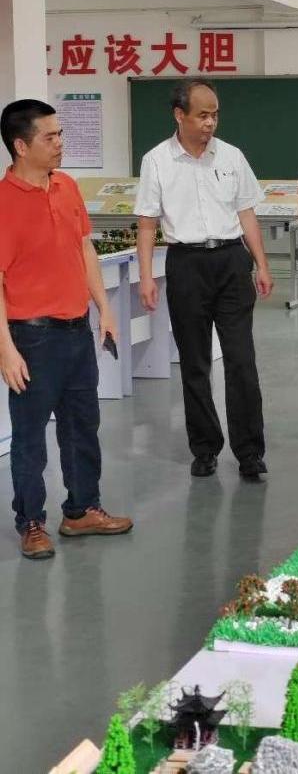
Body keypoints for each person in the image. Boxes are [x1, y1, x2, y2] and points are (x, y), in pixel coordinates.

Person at [0, 99, 133, 560]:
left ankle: (81, 510)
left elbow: (84, 249)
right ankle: (31, 523)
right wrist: (6, 350)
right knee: (30, 437)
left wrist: (105, 310)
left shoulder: (67, 186)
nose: (60, 144)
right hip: (31, 337)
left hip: (77, 330)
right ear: (21, 146)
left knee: (82, 427)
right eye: (50, 137)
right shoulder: (3, 203)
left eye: (60, 134)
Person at [135, 79, 273, 481]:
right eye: (202, 115)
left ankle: (250, 451)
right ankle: (205, 448)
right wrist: (146, 277)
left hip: (231, 261)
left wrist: (262, 264)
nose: (210, 122)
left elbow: (247, 214)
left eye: (215, 115)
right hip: (186, 264)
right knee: (194, 362)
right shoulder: (156, 160)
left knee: (241, 360)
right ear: (180, 115)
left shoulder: (231, 156)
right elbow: (147, 225)